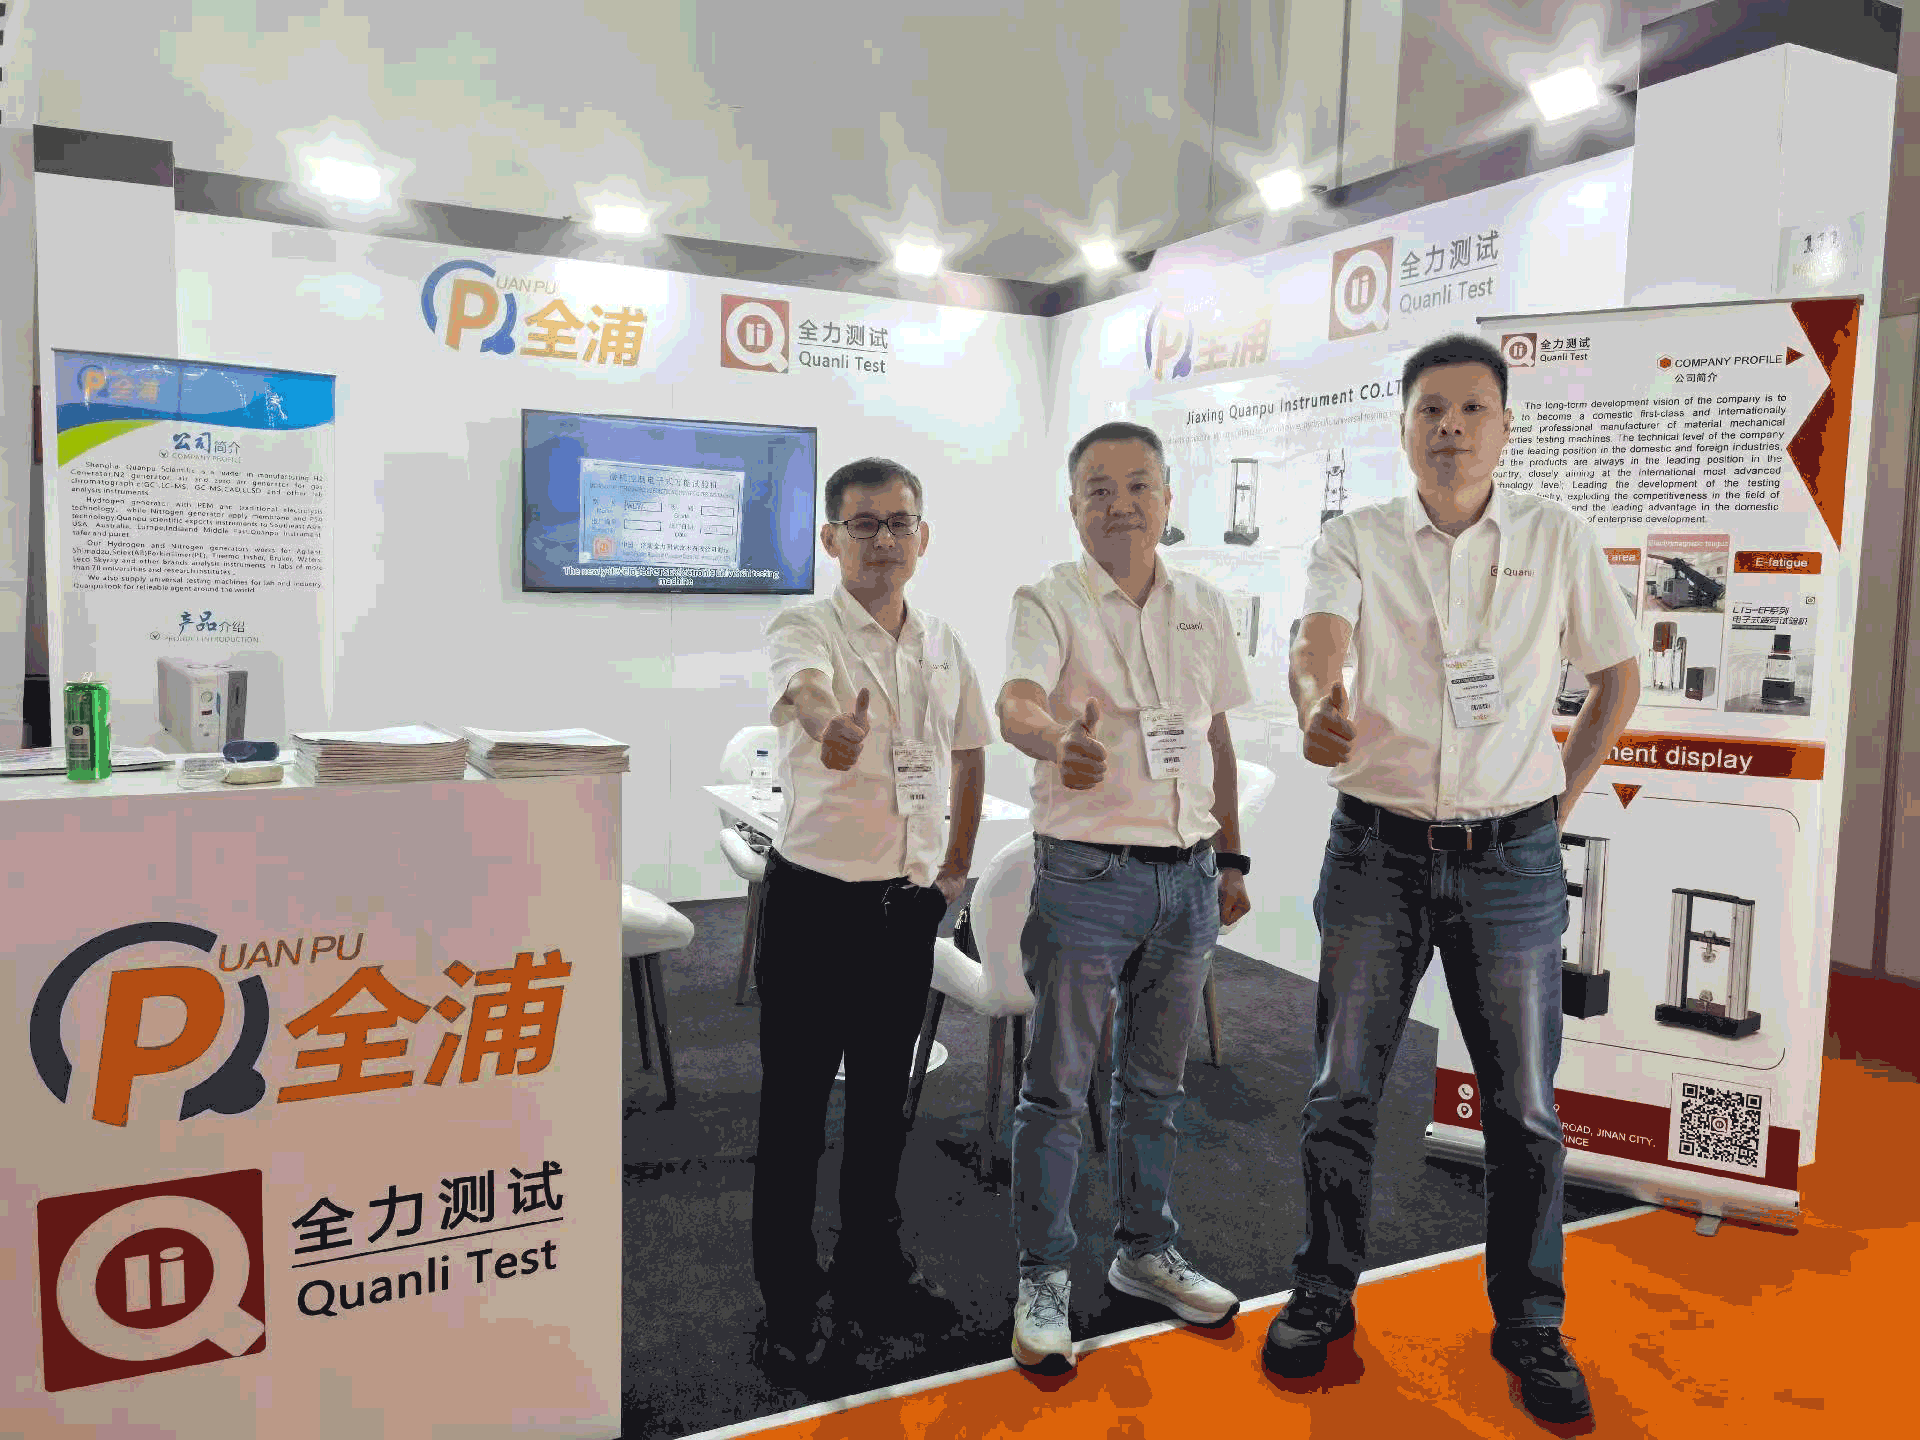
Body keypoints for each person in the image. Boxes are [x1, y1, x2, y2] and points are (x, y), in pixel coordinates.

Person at [1265, 334, 1640, 1425]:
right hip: (1375, 851)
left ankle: (1530, 1320)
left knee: (1525, 1109)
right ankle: (1323, 1289)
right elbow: (1317, 643)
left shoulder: (1556, 538)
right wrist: (1317, 704)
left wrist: (1560, 800)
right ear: (1403, 426)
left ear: (1505, 427)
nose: (1451, 427)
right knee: (1342, 1091)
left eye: (1473, 409)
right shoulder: (1357, 537)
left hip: (1512, 861)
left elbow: (1617, 678)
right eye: (1431, 408)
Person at [996, 421, 1254, 1375]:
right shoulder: (1048, 600)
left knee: (1155, 1086)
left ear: (1168, 499)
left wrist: (1232, 859)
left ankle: (1145, 1250)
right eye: (1099, 489)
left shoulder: (1203, 604)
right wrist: (1055, 739)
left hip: (1187, 879)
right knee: (1057, 1091)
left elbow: (1215, 736)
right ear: (1073, 506)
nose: (1120, 504)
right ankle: (1043, 1275)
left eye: (1139, 485)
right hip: (1087, 876)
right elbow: (1016, 703)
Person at [752, 457, 989, 1375]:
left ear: (923, 536)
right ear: (831, 538)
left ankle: (871, 1269)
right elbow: (809, 690)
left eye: (899, 523)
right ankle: (788, 1295)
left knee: (883, 1106)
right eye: (864, 524)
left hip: (905, 909)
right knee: (795, 1110)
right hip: (815, 907)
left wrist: (956, 865)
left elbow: (969, 752)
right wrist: (830, 727)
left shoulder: (942, 641)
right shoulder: (804, 625)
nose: (884, 539)